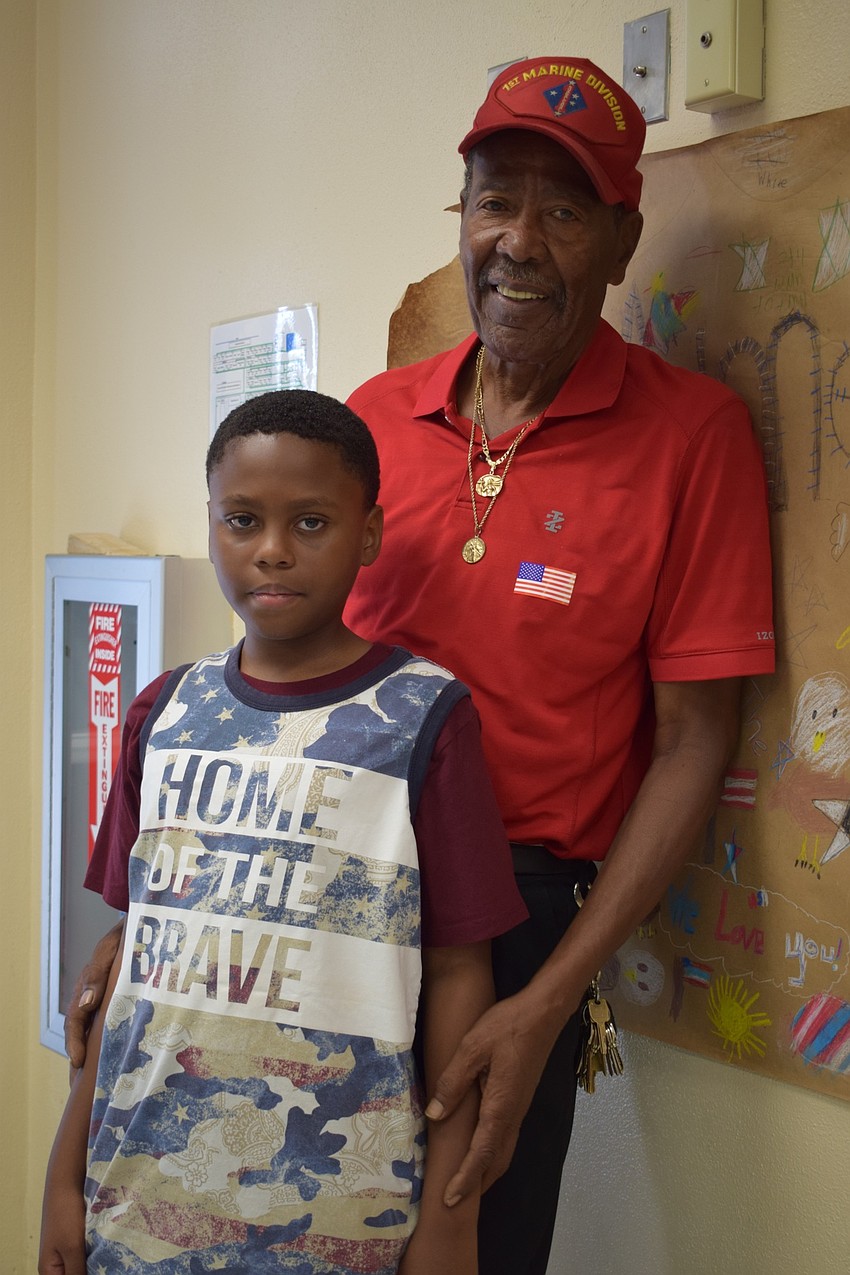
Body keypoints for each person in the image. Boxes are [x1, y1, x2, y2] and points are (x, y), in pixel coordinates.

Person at [65, 56, 775, 1275]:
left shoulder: (691, 438)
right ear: (460, 214)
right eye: (495, 199)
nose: (519, 242)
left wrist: (545, 1001)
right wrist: (160, 921)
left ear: (622, 236)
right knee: (247, 1212)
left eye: (563, 211)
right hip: (307, 895)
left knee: (461, 1242)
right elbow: (278, 667)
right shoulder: (375, 419)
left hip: (509, 938)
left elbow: (692, 741)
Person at [41, 390, 526, 1275]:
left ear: (370, 535)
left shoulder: (423, 717)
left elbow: (461, 972)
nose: (271, 548)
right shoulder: (164, 710)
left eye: (311, 521)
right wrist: (62, 1179)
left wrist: (451, 1219)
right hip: (141, 1197)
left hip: (339, 1212)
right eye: (242, 519)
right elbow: (128, 966)